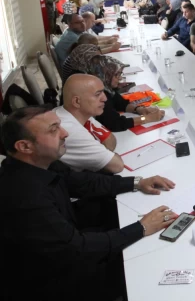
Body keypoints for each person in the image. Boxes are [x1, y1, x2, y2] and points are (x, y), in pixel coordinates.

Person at [0, 105, 178, 301]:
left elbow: (82, 182)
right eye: (53, 130)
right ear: (25, 147)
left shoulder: (40, 163)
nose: (65, 133)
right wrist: (142, 227)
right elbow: (78, 249)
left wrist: (137, 182)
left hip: (67, 247)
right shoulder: (25, 197)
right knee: (145, 268)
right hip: (53, 283)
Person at [53, 75, 123, 173]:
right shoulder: (69, 131)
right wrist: (103, 152)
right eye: (97, 94)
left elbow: (110, 140)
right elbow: (117, 166)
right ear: (77, 102)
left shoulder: (78, 112)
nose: (105, 98)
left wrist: (101, 152)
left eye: (103, 92)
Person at [90, 57, 165, 132]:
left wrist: (140, 109)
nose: (120, 78)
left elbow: (121, 103)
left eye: (120, 74)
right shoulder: (99, 96)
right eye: (116, 75)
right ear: (106, 75)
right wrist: (147, 118)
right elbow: (115, 124)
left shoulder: (108, 89)